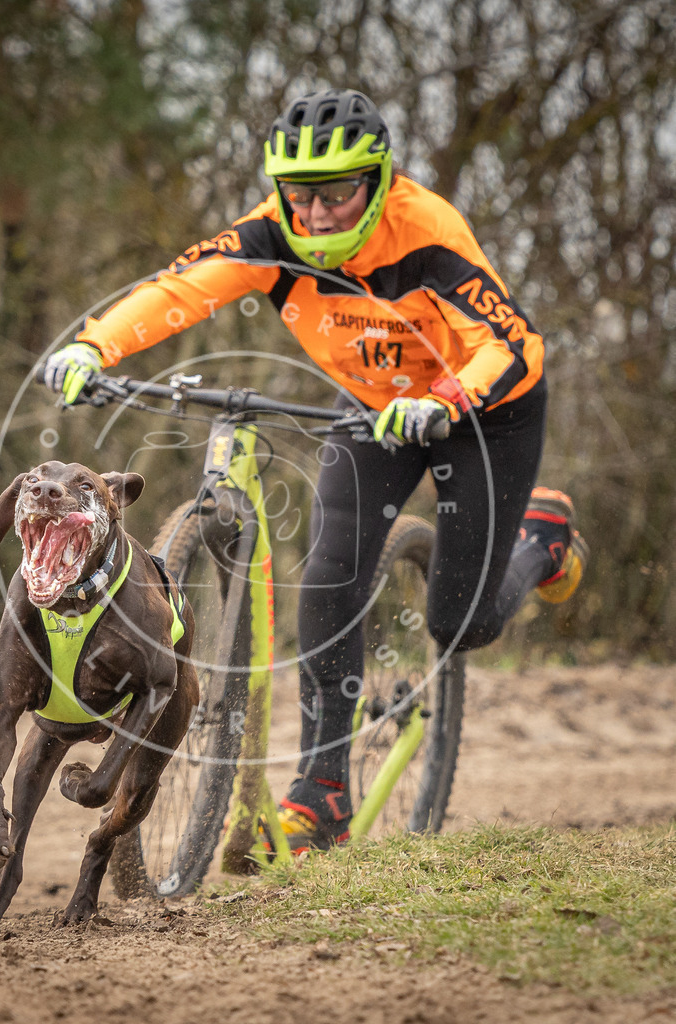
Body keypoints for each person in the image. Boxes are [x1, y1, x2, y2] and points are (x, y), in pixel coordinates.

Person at [43, 88, 588, 852]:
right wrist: (92, 346)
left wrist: (445, 399)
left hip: (483, 411)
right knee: (331, 571)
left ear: (378, 182)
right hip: (373, 406)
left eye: (337, 194)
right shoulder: (271, 234)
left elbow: (511, 343)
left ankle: (543, 537)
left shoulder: (425, 232)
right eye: (300, 195)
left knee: (458, 623)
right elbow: (180, 289)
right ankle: (321, 793)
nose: (318, 214)